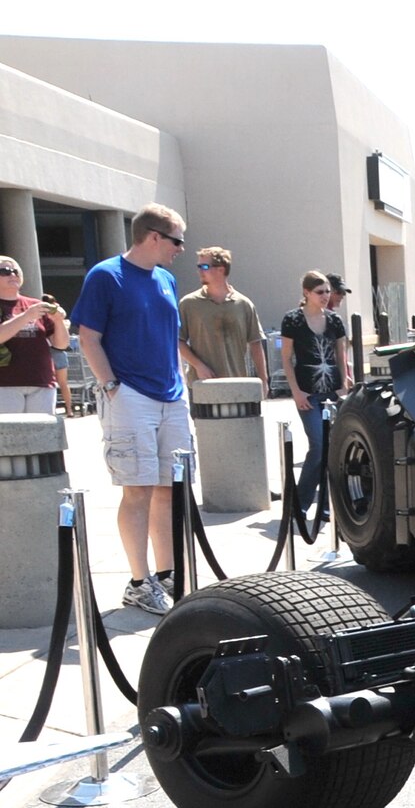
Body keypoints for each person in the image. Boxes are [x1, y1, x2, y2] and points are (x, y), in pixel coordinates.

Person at [70, 203, 190, 615]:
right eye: (177, 240)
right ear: (153, 236)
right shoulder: (106, 275)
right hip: (130, 394)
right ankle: (139, 582)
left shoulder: (167, 279)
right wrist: (111, 387)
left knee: (167, 488)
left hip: (170, 395)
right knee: (136, 488)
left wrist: (180, 382)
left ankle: (169, 573)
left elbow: (169, 335)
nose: (181, 248)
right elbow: (88, 337)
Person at [279, 271, 350, 524]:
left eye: (328, 291)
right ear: (306, 293)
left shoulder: (334, 321)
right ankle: (301, 503)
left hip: (333, 392)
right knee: (318, 447)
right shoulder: (293, 320)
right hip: (308, 392)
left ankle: (329, 505)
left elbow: (342, 355)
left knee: (334, 450)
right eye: (320, 292)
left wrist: (344, 385)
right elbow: (286, 358)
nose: (325, 296)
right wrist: (295, 391)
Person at [178, 246, 268, 385]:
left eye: (205, 266)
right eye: (198, 266)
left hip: (237, 384)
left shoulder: (243, 304)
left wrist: (263, 380)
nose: (200, 271)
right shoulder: (189, 303)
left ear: (221, 269)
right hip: (202, 386)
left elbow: (256, 344)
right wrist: (198, 365)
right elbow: (178, 340)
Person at [0, 257, 69, 415]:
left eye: (16, 271)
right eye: (5, 271)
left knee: (42, 436)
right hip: (4, 384)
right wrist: (26, 316)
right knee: (9, 438)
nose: (13, 275)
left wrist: (58, 321)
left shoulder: (36, 305)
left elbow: (60, 345)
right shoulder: (32, 310)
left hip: (41, 382)